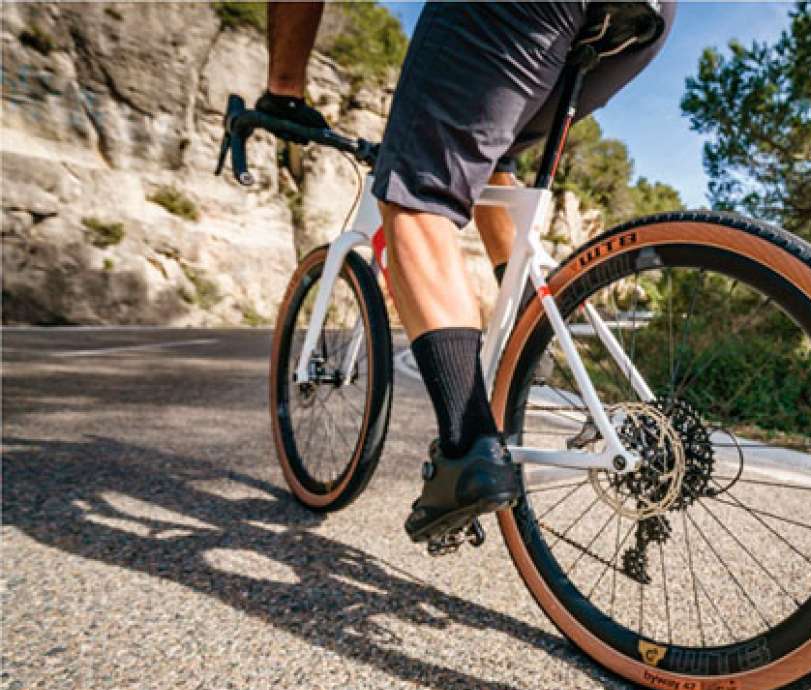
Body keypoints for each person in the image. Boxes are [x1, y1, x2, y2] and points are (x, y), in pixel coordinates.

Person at [261, 2, 675, 545]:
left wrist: (285, 87)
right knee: (486, 158)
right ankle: (532, 331)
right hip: (649, 17)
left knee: (416, 194)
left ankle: (467, 450)